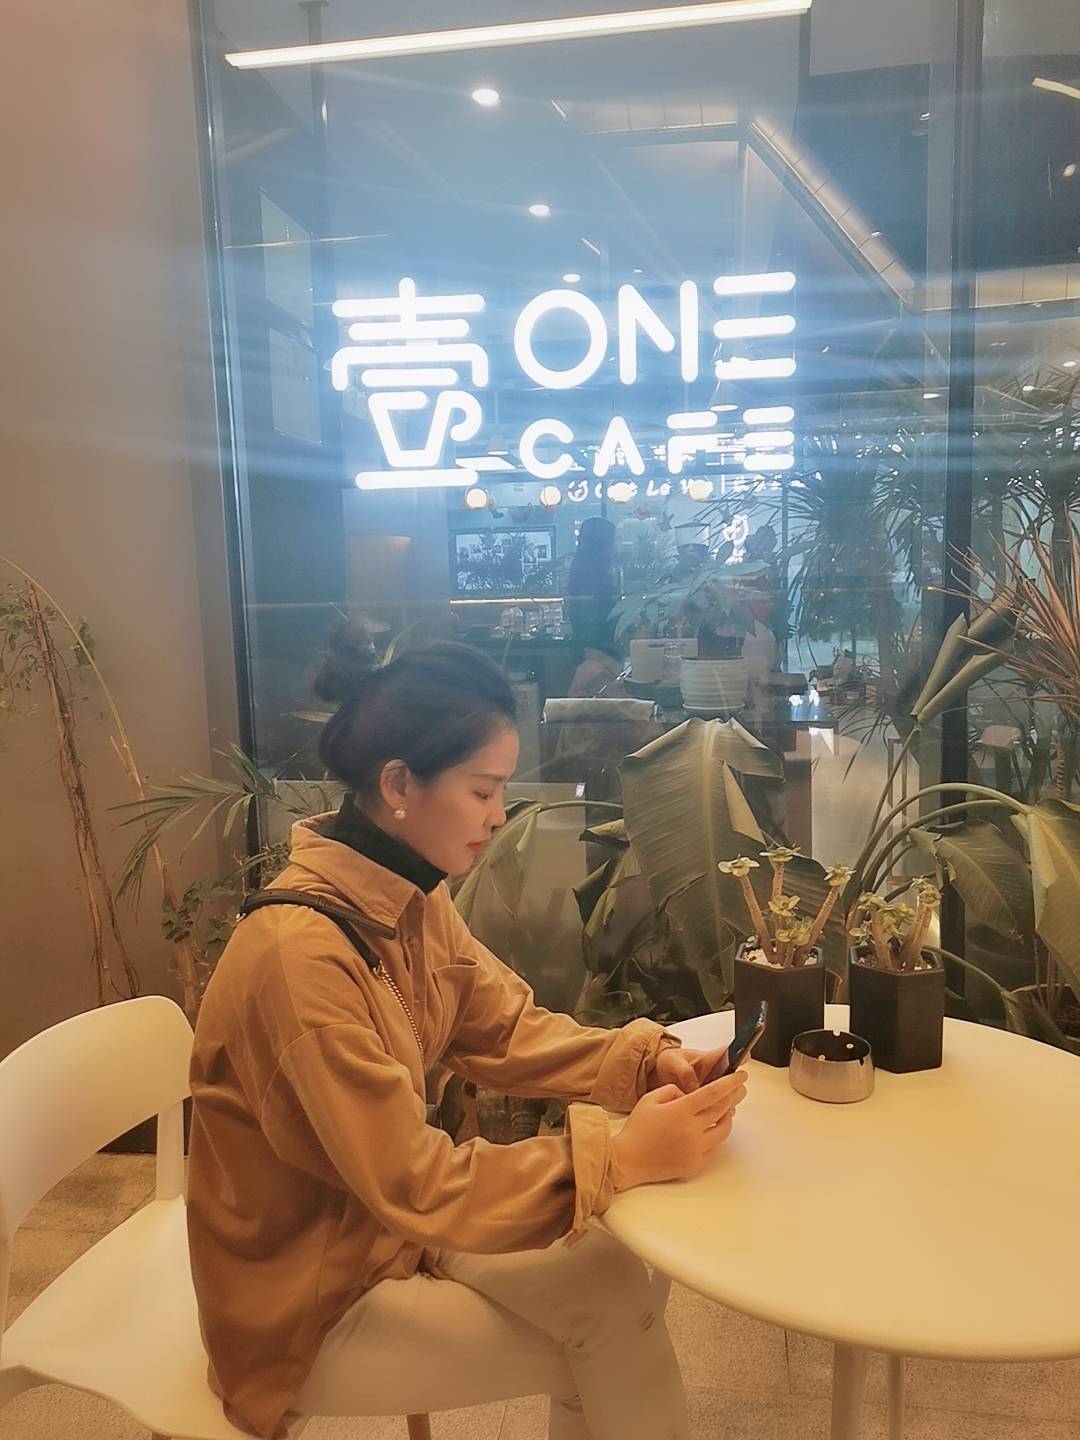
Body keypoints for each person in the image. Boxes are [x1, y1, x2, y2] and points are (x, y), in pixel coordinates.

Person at [186, 625, 747, 1440]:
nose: (499, 814)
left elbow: (501, 1026)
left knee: (618, 1286)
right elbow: (415, 1184)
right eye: (483, 791)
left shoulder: (408, 891)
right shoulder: (299, 959)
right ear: (399, 783)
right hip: (307, 1301)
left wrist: (643, 1063)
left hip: (388, 1230)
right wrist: (623, 1155)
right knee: (612, 1335)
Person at [565, 516, 618, 660]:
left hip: (590, 656)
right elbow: (591, 635)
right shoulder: (594, 579)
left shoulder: (581, 572)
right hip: (598, 658)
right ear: (602, 544)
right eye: (613, 541)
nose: (616, 546)